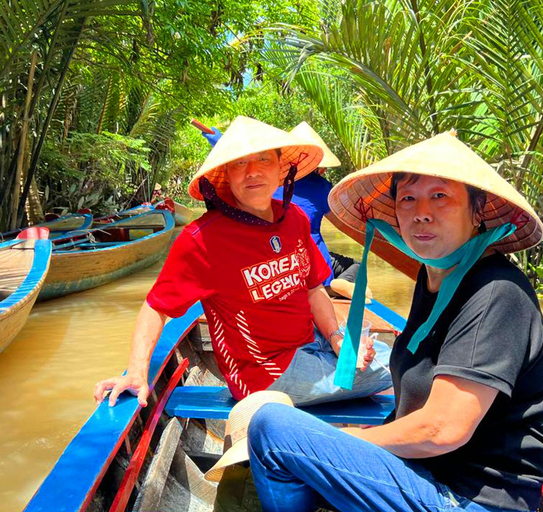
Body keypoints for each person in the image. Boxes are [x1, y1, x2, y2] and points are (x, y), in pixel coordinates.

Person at [246, 131, 543, 512]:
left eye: (440, 196)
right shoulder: (434, 277)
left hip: (467, 500)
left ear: (477, 212)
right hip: (427, 477)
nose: (421, 211)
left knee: (271, 427)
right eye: (408, 198)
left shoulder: (496, 291)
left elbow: (443, 429)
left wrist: (351, 438)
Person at [94, 116, 392, 408]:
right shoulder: (202, 239)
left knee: (386, 353)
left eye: (264, 160)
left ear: (281, 170)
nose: (252, 172)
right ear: (227, 175)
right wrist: (136, 371)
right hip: (264, 373)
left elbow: (314, 290)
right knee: (401, 367)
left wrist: (337, 337)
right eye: (240, 163)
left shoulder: (295, 219)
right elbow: (157, 307)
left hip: (313, 343)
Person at [204, 121, 368, 300]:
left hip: (274, 264)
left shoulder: (266, 183)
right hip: (314, 263)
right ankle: (332, 286)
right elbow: (345, 225)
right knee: (357, 265)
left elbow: (241, 160)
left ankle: (330, 285)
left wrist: (221, 141)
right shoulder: (322, 187)